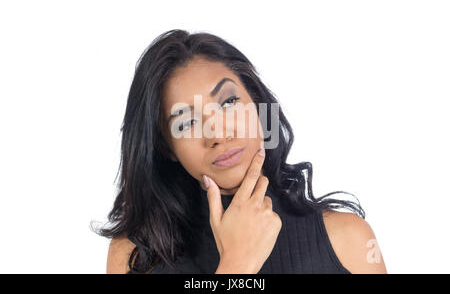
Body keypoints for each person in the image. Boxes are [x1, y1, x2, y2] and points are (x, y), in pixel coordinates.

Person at [92, 29, 387, 274]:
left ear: (258, 107)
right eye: (187, 122)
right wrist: (237, 264)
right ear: (167, 148)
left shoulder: (349, 240)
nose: (219, 134)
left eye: (229, 103)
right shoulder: (135, 255)